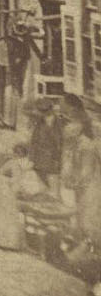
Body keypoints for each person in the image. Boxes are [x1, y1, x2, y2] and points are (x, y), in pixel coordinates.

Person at [0, 144, 35, 251]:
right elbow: (15, 182)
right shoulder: (15, 163)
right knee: (9, 213)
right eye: (22, 156)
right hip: (2, 190)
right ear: (21, 155)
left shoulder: (5, 158)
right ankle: (6, 243)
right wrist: (23, 193)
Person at [65, 96, 101, 245]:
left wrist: (77, 181)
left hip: (91, 183)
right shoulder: (80, 142)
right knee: (81, 211)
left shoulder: (87, 144)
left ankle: (90, 244)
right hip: (85, 182)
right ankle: (83, 241)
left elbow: (87, 169)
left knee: (89, 214)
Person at [30, 99, 65, 198]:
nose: (42, 113)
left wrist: (60, 157)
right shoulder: (39, 122)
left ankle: (55, 202)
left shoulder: (60, 122)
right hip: (39, 158)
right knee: (42, 186)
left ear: (51, 109)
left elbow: (62, 142)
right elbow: (34, 141)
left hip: (54, 159)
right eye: (41, 111)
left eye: (45, 111)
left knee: (54, 188)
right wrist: (32, 158)